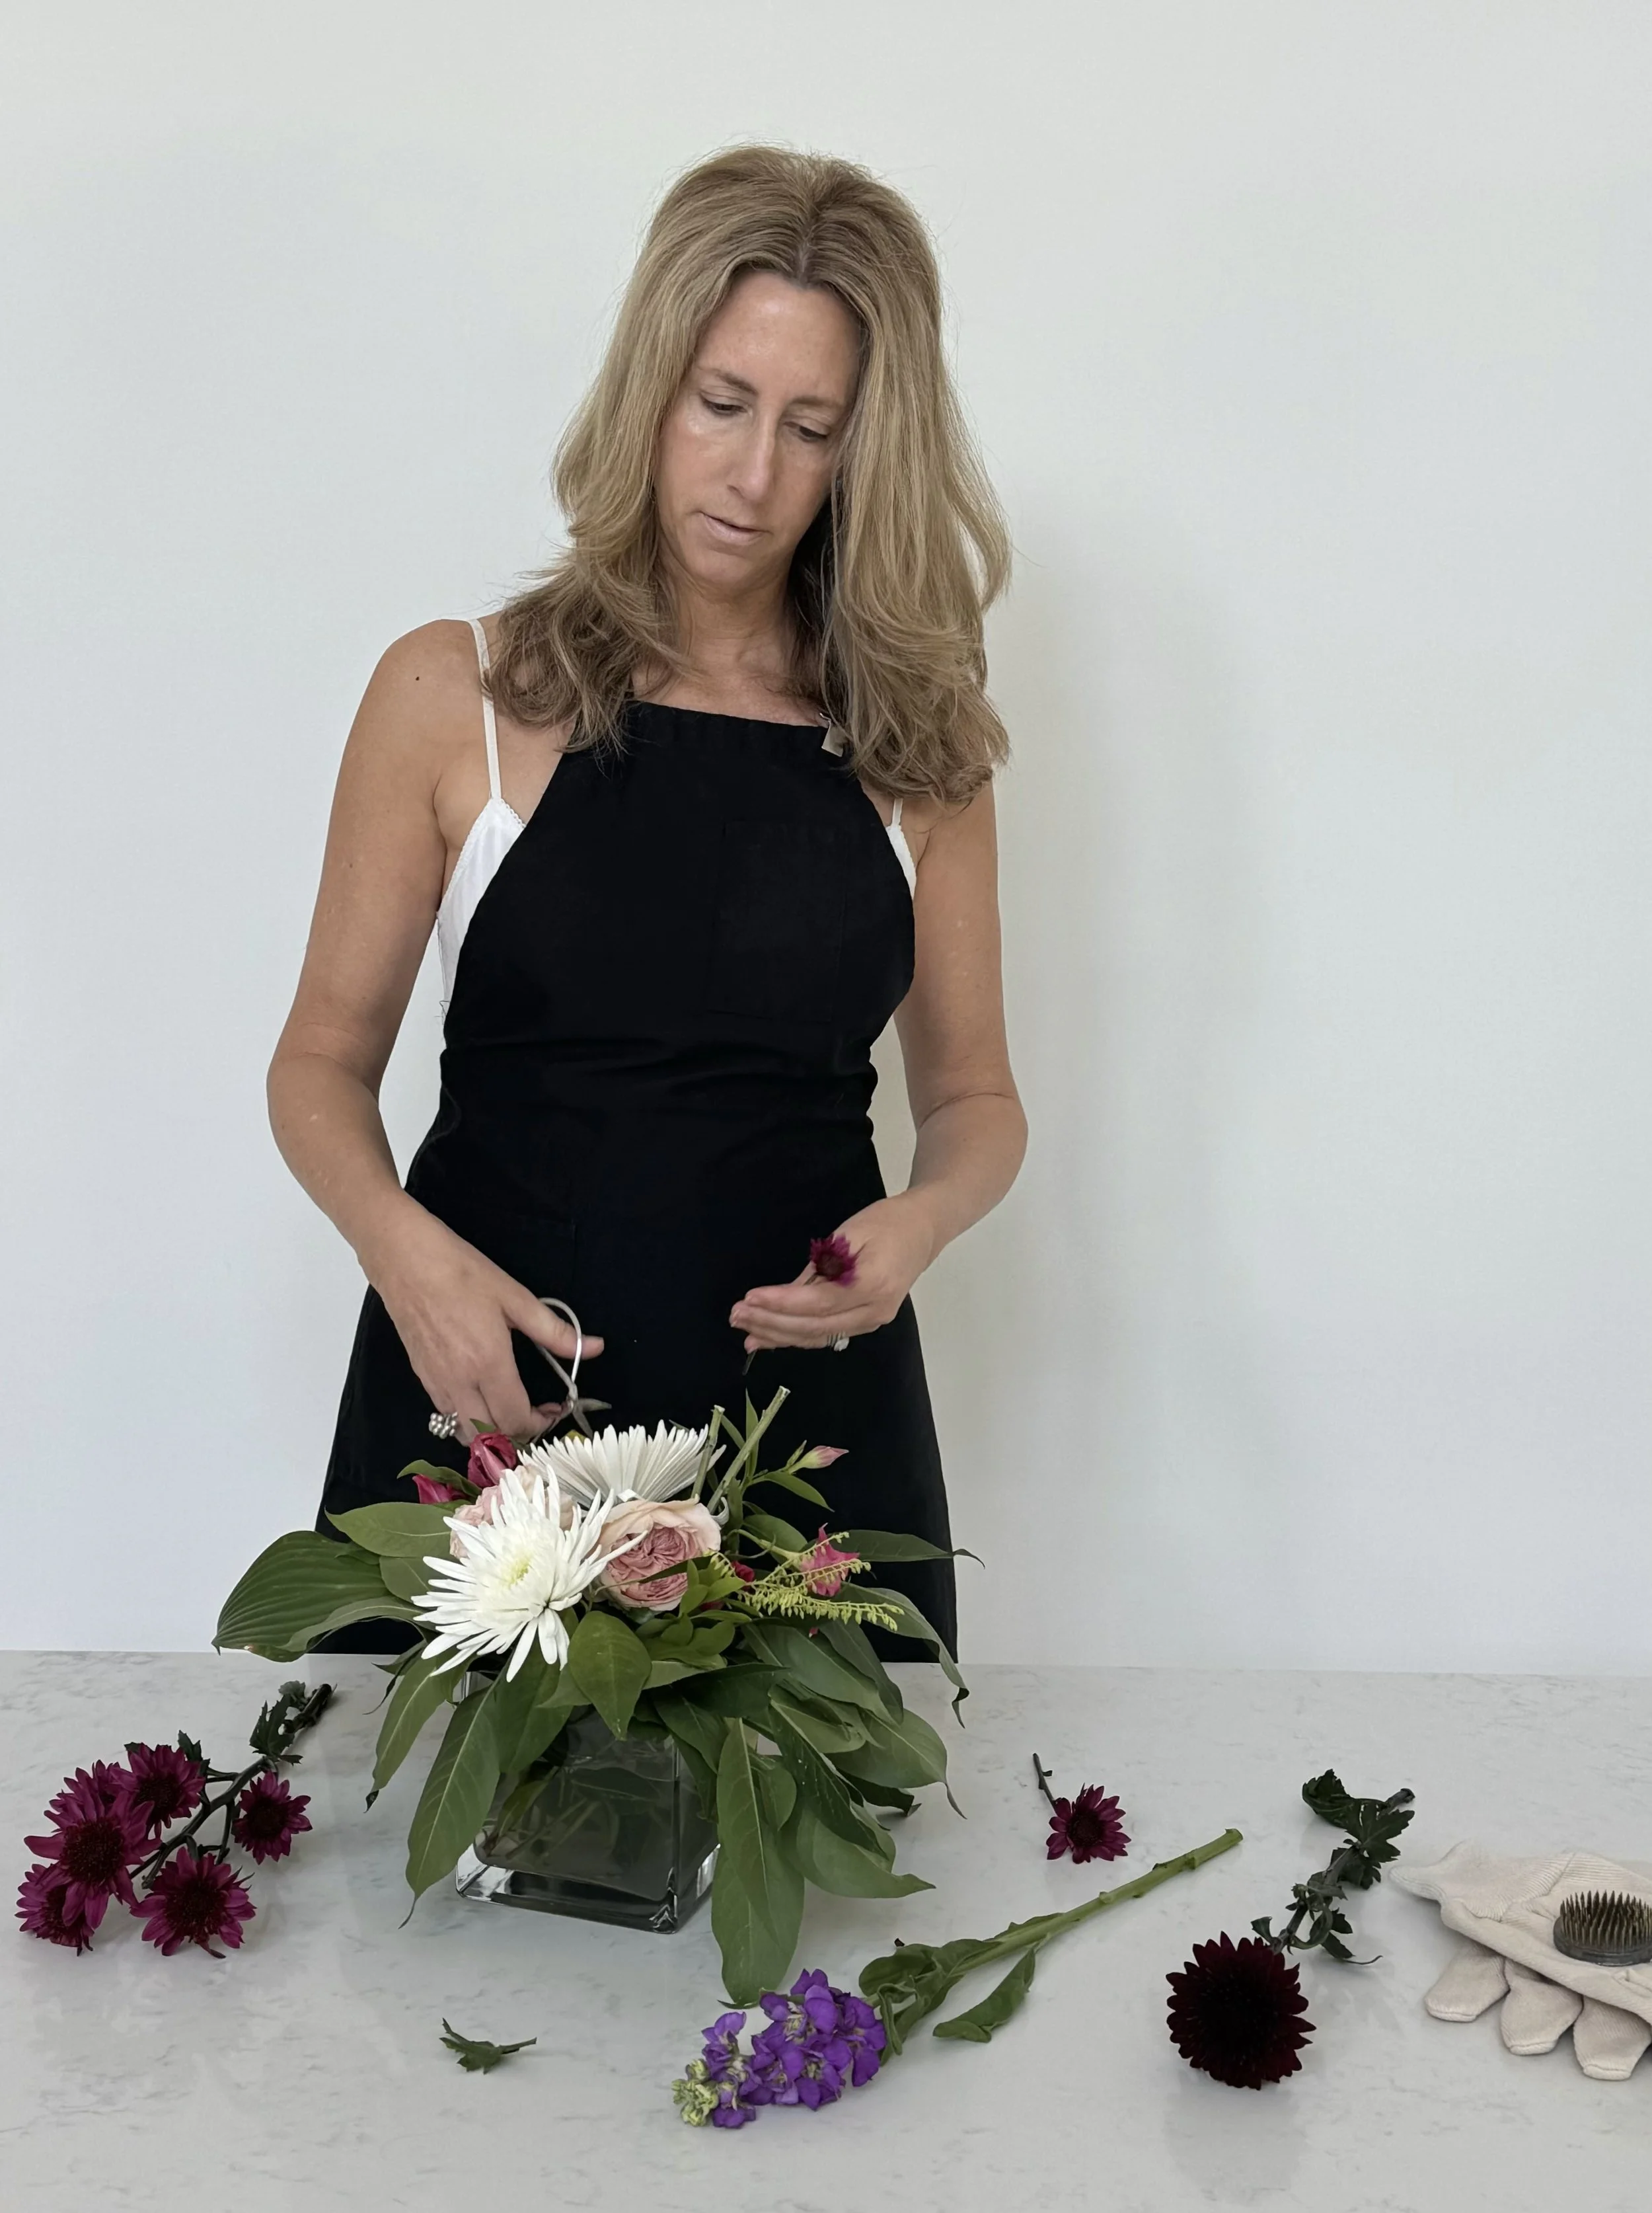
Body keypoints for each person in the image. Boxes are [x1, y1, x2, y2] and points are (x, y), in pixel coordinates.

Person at [266, 143, 1027, 1662]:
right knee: (409, 1885)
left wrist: (921, 1225)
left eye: (810, 429)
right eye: (720, 404)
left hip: (805, 1447)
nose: (753, 476)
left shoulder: (914, 750)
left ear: (863, 452)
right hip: (493, 1407)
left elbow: (975, 1099)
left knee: (833, 1900)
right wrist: (404, 1263)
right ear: (648, 394)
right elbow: (317, 1070)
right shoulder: (457, 694)